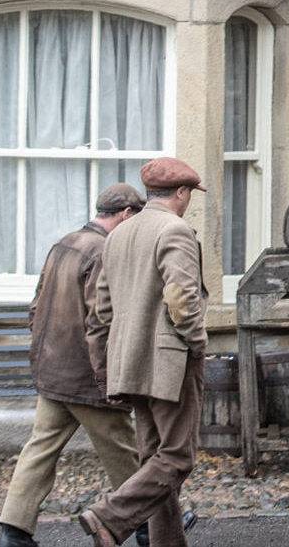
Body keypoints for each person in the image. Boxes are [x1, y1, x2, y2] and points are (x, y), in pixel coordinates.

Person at [0, 184, 145, 547]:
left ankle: (13, 533)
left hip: (52, 370)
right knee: (123, 449)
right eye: (135, 218)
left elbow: (35, 307)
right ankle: (150, 522)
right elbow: (101, 321)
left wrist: (44, 352)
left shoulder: (65, 242)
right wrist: (109, 377)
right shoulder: (102, 251)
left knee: (40, 448)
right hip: (85, 376)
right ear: (125, 215)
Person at [79, 158, 208, 547]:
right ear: (182, 193)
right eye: (190, 195)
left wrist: (106, 360)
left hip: (129, 361)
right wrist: (197, 342)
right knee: (177, 458)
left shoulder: (120, 233)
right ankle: (109, 516)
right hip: (170, 362)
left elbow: (101, 310)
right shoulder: (176, 230)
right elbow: (183, 298)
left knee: (155, 460)